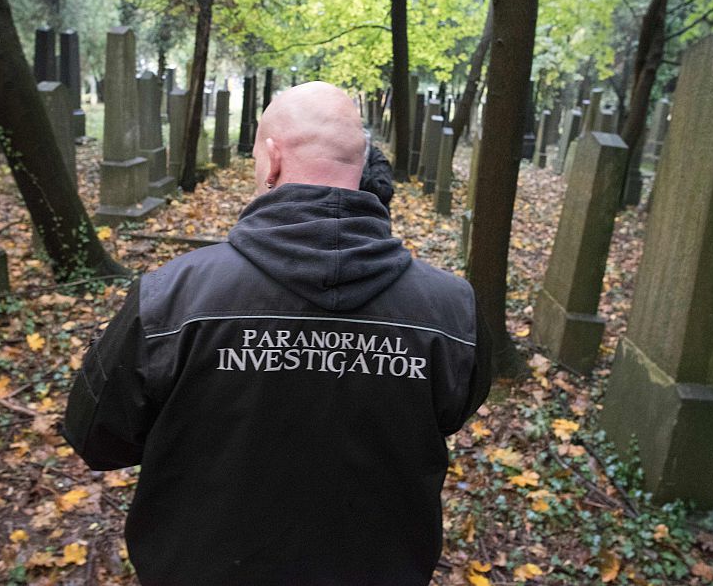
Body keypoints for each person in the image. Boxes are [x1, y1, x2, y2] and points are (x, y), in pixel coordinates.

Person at [64, 81, 491, 586]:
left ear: (272, 160)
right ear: (362, 165)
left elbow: (98, 438)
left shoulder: (172, 298)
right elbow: (451, 412)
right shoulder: (452, 311)